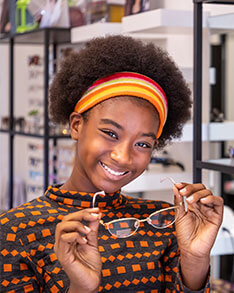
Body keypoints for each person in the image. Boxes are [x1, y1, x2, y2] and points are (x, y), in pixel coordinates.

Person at [0, 35, 223, 293]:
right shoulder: (14, 232)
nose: (123, 157)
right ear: (76, 125)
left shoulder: (162, 223)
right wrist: (81, 288)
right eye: (111, 133)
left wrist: (195, 259)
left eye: (143, 144)